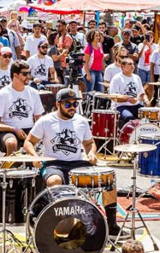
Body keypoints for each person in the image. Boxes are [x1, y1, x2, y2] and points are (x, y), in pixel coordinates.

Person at [24, 87, 129, 240]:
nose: (72, 107)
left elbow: (89, 143)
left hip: (78, 163)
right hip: (54, 163)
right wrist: (34, 156)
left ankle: (112, 226)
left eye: (75, 104)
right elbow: (28, 142)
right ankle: (60, 224)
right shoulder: (46, 121)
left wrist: (91, 152)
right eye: (68, 104)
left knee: (109, 177)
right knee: (54, 181)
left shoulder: (81, 121)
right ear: (58, 104)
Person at [0, 61, 44, 155]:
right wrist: (14, 129)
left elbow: (39, 118)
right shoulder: (3, 94)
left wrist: (40, 133)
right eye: (25, 74)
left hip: (29, 130)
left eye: (29, 73)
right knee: (11, 143)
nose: (28, 76)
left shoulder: (33, 93)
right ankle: (10, 167)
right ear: (15, 75)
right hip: (8, 131)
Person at [109, 58, 150, 127]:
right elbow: (113, 96)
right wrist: (128, 99)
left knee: (147, 117)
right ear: (123, 66)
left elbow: (142, 93)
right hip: (120, 106)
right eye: (130, 64)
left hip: (136, 105)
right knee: (129, 117)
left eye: (133, 64)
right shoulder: (117, 78)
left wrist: (146, 100)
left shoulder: (137, 77)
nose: (133, 66)